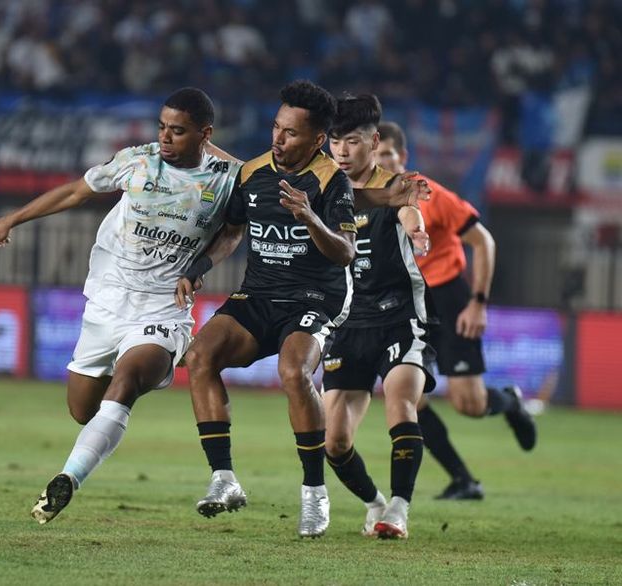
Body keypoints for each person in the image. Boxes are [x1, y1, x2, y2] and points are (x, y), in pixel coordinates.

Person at [0, 88, 245, 524]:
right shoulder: (136, 161)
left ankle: (67, 478)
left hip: (163, 308)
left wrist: (199, 266)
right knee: (83, 411)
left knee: (126, 382)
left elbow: (234, 232)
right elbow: (75, 193)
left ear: (205, 134)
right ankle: (102, 425)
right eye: (162, 127)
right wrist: (13, 217)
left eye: (178, 131)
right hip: (108, 302)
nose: (165, 137)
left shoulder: (229, 177)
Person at [183, 80, 429, 538]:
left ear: (316, 140)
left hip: (316, 297)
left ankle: (315, 493)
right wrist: (198, 268)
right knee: (199, 356)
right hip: (259, 294)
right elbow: (233, 230)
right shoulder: (253, 172)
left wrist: (310, 218)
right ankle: (224, 477)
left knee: (293, 371)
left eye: (291, 132)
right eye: (276, 127)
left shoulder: (332, 181)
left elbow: (345, 252)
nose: (278, 138)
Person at [376, 121, 536, 500]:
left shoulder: (431, 195)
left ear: (403, 156)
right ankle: (464, 480)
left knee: (469, 404)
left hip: (448, 298)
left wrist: (478, 302)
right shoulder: (368, 200)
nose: (381, 162)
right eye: (375, 155)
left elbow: (484, 242)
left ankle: (510, 401)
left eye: (387, 154)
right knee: (408, 398)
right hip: (405, 305)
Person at [323, 94, 433, 539]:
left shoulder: (396, 186)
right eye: (334, 142)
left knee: (400, 400)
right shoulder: (324, 186)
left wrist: (417, 231)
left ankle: (400, 509)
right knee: (334, 441)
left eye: (351, 141)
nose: (342, 151)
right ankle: (375, 503)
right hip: (348, 322)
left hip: (398, 316)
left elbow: (408, 210)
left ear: (372, 142)